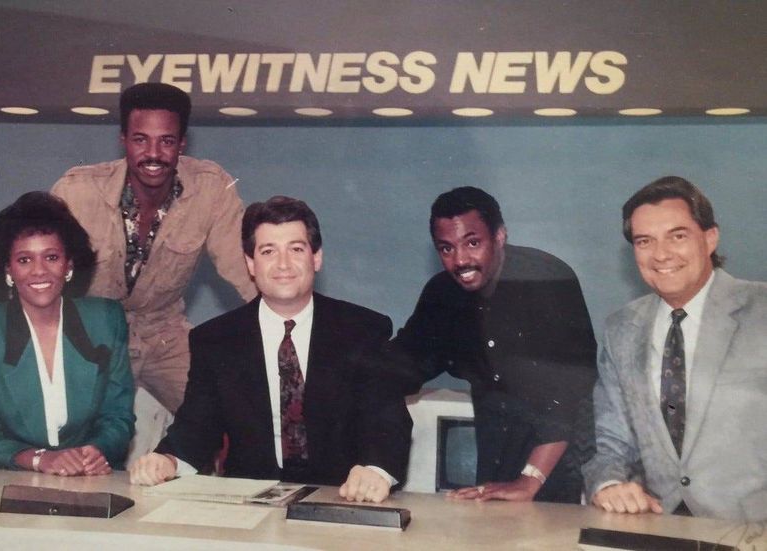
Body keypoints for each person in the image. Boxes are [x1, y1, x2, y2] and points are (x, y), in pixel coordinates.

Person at [129, 196, 411, 503]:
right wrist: (167, 461)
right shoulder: (215, 340)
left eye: (296, 249)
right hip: (249, 504)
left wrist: (377, 470)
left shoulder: (363, 330)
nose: (283, 264)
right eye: (268, 251)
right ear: (251, 264)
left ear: (316, 257)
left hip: (343, 499)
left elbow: (388, 421)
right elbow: (197, 428)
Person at [380, 186, 597, 503]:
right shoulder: (443, 294)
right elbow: (399, 365)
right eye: (446, 248)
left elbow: (570, 397)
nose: (460, 260)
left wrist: (529, 480)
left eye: (472, 243)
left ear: (499, 236)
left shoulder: (548, 281)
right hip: (495, 451)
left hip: (555, 459)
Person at [51, 82, 256, 418]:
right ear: (123, 140)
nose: (154, 154)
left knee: (233, 420)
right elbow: (41, 276)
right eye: (140, 139)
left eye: (167, 141)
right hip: (91, 337)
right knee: (75, 435)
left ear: (182, 144)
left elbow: (246, 271)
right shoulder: (77, 191)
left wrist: (292, 330)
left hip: (165, 333)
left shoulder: (212, 188)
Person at [583, 176, 766, 520]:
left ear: (710, 238)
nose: (661, 254)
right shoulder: (621, 329)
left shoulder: (762, 311)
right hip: (660, 529)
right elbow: (611, 443)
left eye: (677, 236)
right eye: (644, 241)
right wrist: (607, 484)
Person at [0, 192, 135, 475]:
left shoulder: (106, 320)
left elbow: (118, 417)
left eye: (51, 257)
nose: (39, 271)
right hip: (8, 483)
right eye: (24, 260)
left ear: (69, 265)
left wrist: (94, 451)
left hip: (93, 480)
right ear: (8, 270)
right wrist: (39, 459)